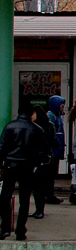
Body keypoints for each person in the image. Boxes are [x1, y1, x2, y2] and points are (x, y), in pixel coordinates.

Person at [0, 102, 47, 241]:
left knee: (5, 197)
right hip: (27, 168)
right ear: (32, 114)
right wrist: (35, 165)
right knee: (24, 199)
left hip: (10, 166)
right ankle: (20, 230)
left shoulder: (9, 126)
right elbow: (41, 152)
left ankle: (5, 228)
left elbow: (1, 147)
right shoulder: (37, 129)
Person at [30, 102, 54, 218]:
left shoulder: (37, 127)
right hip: (45, 159)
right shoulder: (49, 125)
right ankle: (39, 209)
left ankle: (39, 210)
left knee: (38, 187)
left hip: (40, 159)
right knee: (39, 186)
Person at [41, 95, 66, 206]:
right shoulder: (51, 116)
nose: (63, 106)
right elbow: (50, 133)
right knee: (49, 174)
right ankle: (48, 195)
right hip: (52, 150)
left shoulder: (57, 116)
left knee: (51, 174)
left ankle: (49, 194)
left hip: (56, 149)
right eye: (61, 104)